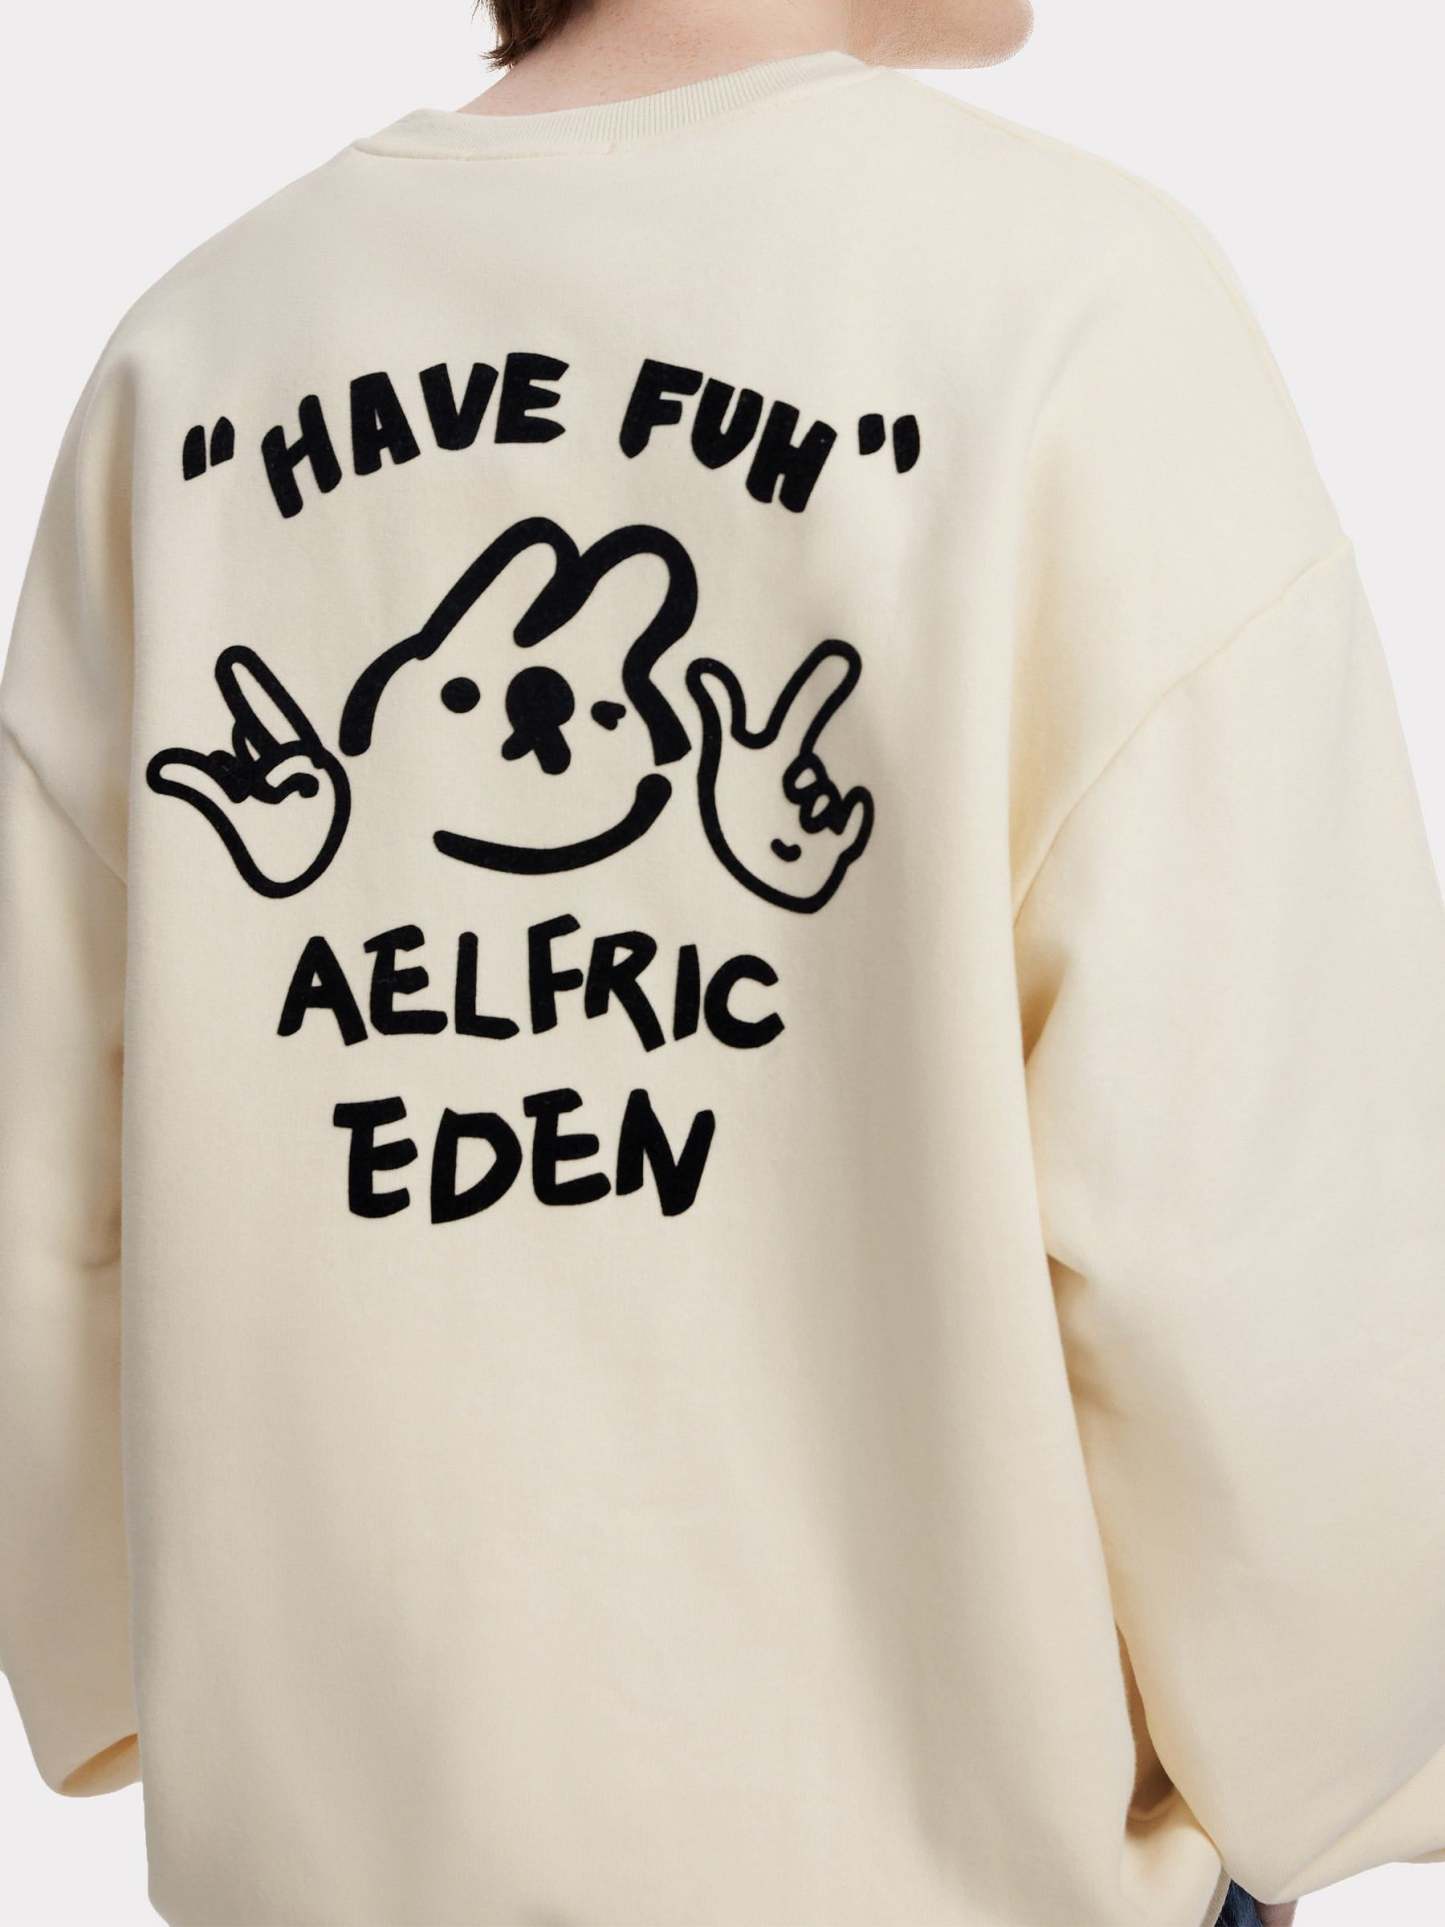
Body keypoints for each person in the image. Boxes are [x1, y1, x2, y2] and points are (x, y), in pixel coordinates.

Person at [1, 0, 1440, 1922]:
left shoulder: (192, 366)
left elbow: (40, 1198)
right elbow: (1259, 1223)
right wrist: (1352, 1748)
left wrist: (118, 1655)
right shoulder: (1073, 311)